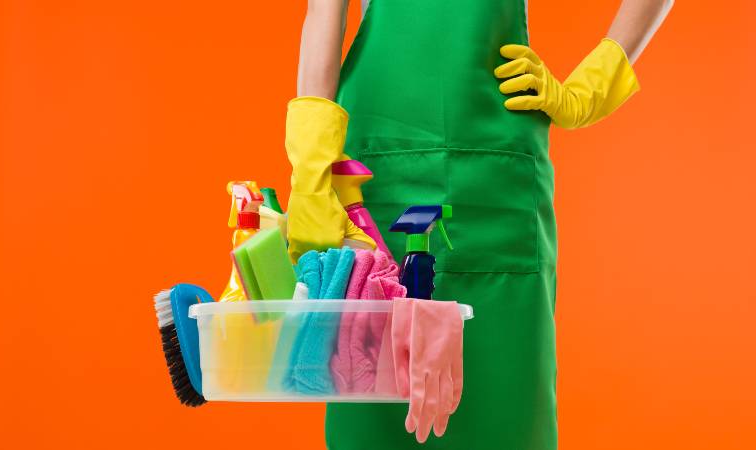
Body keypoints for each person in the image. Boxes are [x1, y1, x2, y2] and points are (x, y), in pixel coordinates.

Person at [285, 0, 674, 448]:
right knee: (372, 399)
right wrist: (310, 166)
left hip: (494, 170)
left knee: (503, 412)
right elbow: (324, 10)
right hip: (377, 162)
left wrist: (595, 84)